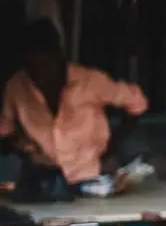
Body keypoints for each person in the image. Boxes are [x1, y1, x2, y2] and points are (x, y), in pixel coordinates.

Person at [0, 19, 147, 200]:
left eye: (45, 67)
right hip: (43, 180)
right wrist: (20, 147)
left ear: (59, 57)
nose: (39, 76)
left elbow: (137, 103)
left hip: (89, 178)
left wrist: (111, 147)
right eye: (33, 69)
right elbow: (5, 132)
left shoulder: (90, 81)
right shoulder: (16, 85)